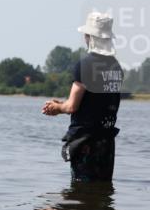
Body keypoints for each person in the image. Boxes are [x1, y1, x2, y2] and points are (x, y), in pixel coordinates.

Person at [42, 11, 123, 182]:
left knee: (82, 189)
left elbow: (72, 106)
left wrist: (57, 107)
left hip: (86, 141)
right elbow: (97, 102)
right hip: (106, 141)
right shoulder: (115, 66)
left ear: (89, 36)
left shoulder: (86, 64)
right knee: (102, 189)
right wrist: (62, 104)